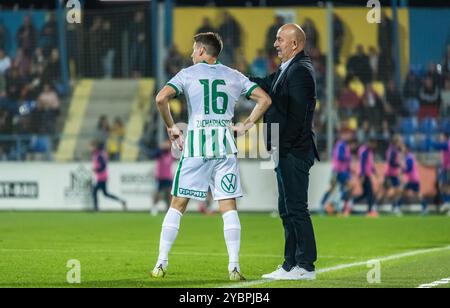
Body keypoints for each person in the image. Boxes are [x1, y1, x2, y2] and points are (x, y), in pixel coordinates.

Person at [151, 32, 271, 281]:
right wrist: (246, 125)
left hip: (197, 145)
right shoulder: (234, 75)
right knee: (228, 206)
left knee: (178, 204)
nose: (191, 54)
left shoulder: (187, 74)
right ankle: (234, 267)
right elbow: (264, 99)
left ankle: (161, 263)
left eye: (195, 49)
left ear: (203, 52)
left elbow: (161, 98)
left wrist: (172, 126)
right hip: (225, 145)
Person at [251, 24, 320, 281]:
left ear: (295, 44)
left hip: (293, 151)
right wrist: (232, 78)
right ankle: (290, 263)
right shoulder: (286, 69)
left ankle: (306, 265)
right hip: (285, 150)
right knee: (287, 208)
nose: (275, 44)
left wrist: (284, 147)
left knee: (297, 209)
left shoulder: (300, 70)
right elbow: (261, 84)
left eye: (280, 39)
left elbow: (299, 117)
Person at [320, 129, 353, 216]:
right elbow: (340, 156)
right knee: (337, 188)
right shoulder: (341, 144)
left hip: (342, 171)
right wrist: (349, 157)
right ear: (343, 135)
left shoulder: (345, 145)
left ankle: (340, 206)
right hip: (338, 171)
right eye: (347, 134)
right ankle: (325, 205)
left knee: (346, 187)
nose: (348, 136)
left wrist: (349, 169)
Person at [91, 141, 127, 212]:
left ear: (95, 147)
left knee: (94, 191)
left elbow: (103, 166)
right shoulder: (97, 155)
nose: (90, 148)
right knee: (105, 194)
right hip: (101, 177)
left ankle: (96, 208)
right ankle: (122, 201)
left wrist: (96, 169)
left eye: (92, 146)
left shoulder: (99, 155)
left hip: (102, 177)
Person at [394, 145, 428, 216]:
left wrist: (402, 171)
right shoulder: (409, 157)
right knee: (416, 194)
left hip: (412, 179)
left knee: (402, 192)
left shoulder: (409, 157)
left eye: (403, 149)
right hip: (414, 179)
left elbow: (409, 168)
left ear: (407, 149)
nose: (402, 150)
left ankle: (396, 208)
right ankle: (425, 208)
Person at [377, 135, 403, 212]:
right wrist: (399, 164)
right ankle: (376, 206)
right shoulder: (393, 150)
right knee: (385, 191)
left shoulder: (393, 150)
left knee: (395, 190)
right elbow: (391, 162)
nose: (401, 143)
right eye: (400, 141)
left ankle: (394, 206)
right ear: (396, 142)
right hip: (390, 174)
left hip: (392, 173)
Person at [354, 139, 378, 218]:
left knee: (366, 193)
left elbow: (370, 164)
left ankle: (352, 202)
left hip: (365, 174)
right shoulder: (365, 151)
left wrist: (375, 172)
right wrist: (363, 175)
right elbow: (363, 164)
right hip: (364, 174)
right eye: (373, 143)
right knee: (370, 193)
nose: (374, 146)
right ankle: (369, 211)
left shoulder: (369, 151)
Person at [151, 140, 174, 217]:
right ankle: (154, 207)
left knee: (169, 195)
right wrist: (160, 148)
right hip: (160, 178)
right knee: (157, 194)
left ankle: (169, 209)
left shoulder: (171, 155)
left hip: (168, 177)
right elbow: (153, 154)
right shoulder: (160, 154)